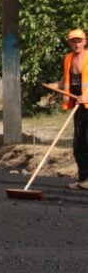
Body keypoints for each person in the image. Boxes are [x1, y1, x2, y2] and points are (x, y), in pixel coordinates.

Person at [56, 28, 88, 190]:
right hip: (79, 106)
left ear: (85, 42)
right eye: (73, 41)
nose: (76, 44)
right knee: (79, 143)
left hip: (87, 103)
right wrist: (54, 86)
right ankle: (83, 179)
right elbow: (65, 80)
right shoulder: (68, 58)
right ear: (69, 43)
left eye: (79, 41)